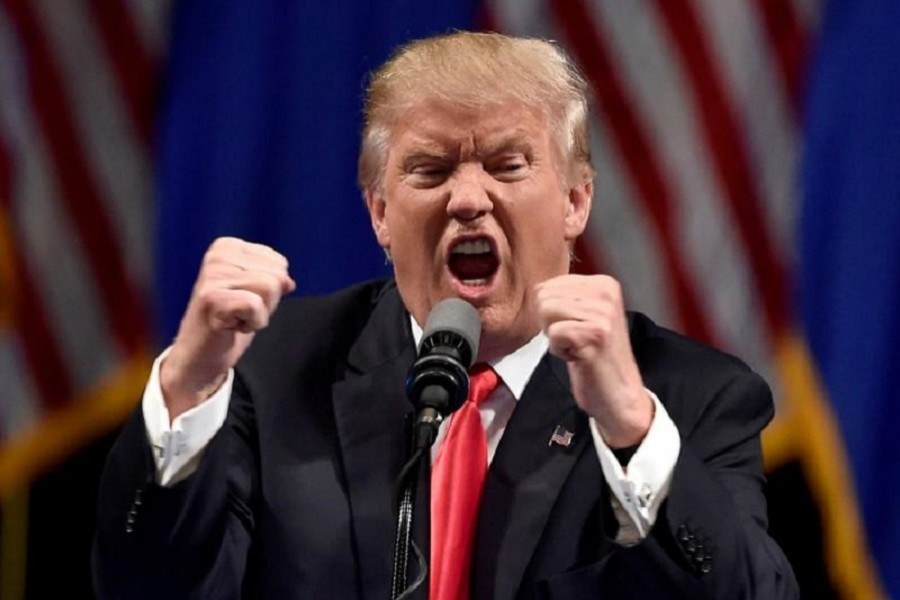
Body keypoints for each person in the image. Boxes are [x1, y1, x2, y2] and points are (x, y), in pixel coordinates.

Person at [93, 31, 799, 599]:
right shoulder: (271, 375)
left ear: (576, 203)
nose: (468, 197)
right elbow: (146, 585)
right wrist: (185, 386)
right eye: (429, 171)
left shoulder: (692, 397)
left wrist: (629, 430)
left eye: (507, 164)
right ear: (379, 215)